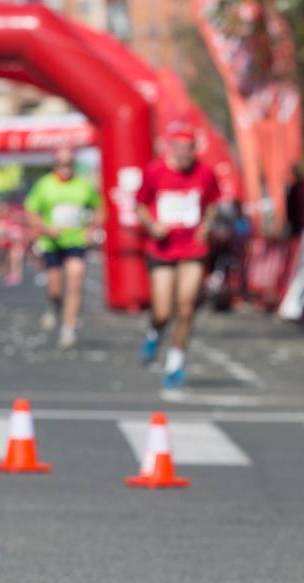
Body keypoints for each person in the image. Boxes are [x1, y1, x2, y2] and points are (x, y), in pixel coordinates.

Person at [135, 122, 219, 388]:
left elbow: (212, 205)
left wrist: (207, 226)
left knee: (185, 308)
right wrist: (152, 226)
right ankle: (155, 332)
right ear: (171, 148)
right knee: (162, 311)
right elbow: (140, 206)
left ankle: (175, 364)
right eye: (179, 149)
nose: (184, 154)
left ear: (195, 150)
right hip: (162, 247)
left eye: (189, 150)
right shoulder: (155, 172)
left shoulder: (205, 173)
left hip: (193, 248)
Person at [26, 147, 104, 350]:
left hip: (76, 241)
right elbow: (31, 212)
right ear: (55, 166)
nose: (65, 168)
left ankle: (68, 329)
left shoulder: (83, 186)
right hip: (53, 242)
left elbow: (100, 209)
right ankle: (54, 305)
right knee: (55, 287)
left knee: (75, 281)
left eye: (69, 164)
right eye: (61, 164)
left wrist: (91, 229)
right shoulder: (45, 186)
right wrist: (45, 227)